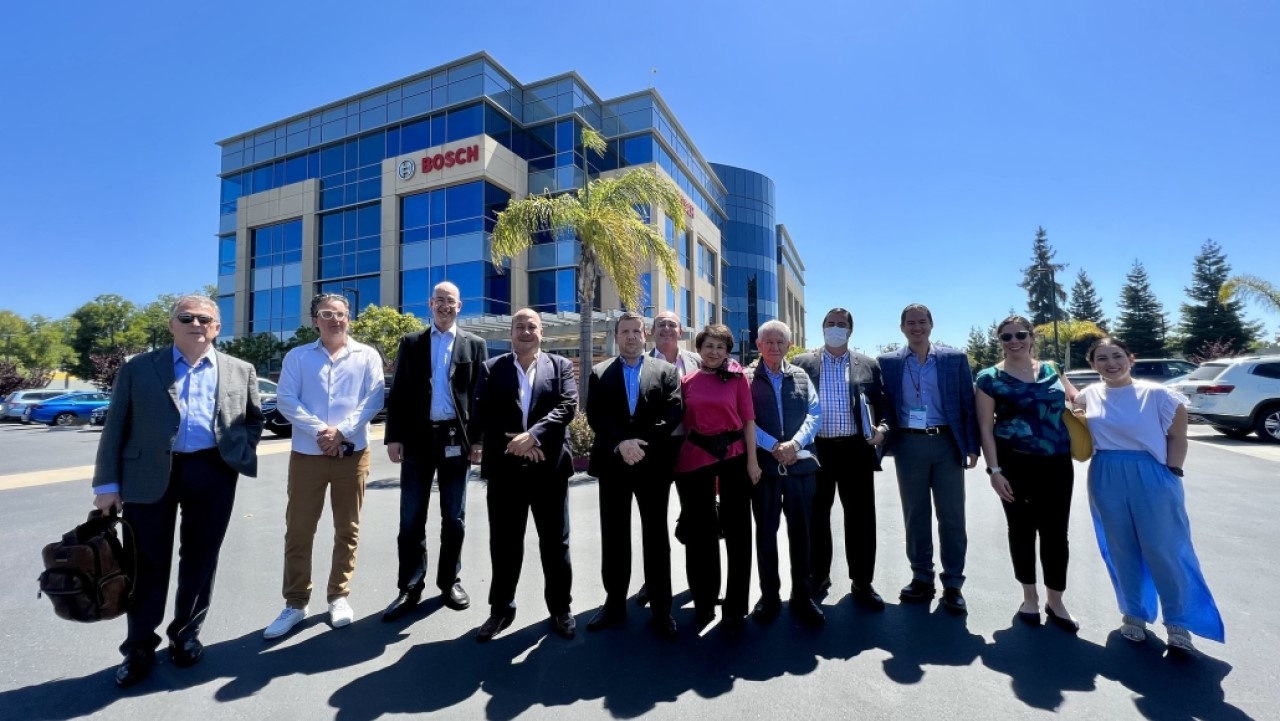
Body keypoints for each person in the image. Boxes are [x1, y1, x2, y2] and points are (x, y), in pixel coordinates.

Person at [92, 296, 264, 688]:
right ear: (171, 325)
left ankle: (186, 634)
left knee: (201, 559)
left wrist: (239, 450)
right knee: (146, 563)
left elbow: (253, 419)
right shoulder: (138, 367)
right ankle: (139, 647)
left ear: (217, 327)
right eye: (186, 317)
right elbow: (115, 425)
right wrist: (107, 485)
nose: (195, 323)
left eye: (205, 318)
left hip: (213, 471)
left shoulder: (241, 370)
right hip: (147, 475)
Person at [1076, 337, 1224, 651]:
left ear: (1130, 358)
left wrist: (1173, 471)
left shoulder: (1158, 394)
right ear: (1092, 365)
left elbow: (1177, 436)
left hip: (1153, 474)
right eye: (1102, 358)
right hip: (1105, 474)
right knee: (1121, 548)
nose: (1111, 363)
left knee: (1165, 548)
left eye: (1117, 355)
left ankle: (1179, 621)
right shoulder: (1088, 395)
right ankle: (1134, 613)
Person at [262, 293, 385, 640]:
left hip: (353, 455)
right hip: (307, 456)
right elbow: (287, 400)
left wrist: (342, 431)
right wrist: (322, 431)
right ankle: (295, 602)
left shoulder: (367, 355)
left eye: (340, 314)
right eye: (326, 314)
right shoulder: (298, 357)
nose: (335, 319)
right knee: (299, 531)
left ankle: (338, 596)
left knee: (348, 529)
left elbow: (373, 398)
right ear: (315, 320)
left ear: (349, 318)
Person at [382, 281, 488, 622]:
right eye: (439, 300)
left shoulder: (475, 344)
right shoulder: (412, 342)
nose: (444, 305)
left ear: (460, 306)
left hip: (456, 439)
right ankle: (410, 587)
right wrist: (394, 437)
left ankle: (449, 581)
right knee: (411, 518)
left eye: (450, 301)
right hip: (417, 440)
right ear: (430, 304)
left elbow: (481, 397)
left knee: (453, 517)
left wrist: (479, 441)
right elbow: (399, 391)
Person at [470, 309, 577, 641]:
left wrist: (534, 436)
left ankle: (560, 608)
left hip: (549, 469)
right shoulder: (492, 368)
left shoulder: (560, 366)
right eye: (520, 326)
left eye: (532, 326)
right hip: (506, 470)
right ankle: (500, 610)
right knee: (504, 544)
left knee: (556, 544)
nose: (526, 331)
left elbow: (567, 406)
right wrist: (518, 442)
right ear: (511, 332)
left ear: (542, 332)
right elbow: (482, 413)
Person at [974, 315, 1078, 630]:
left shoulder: (1053, 370)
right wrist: (994, 470)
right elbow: (985, 427)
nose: (1014, 341)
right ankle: (1029, 597)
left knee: (1056, 533)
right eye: (1006, 337)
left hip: (1057, 463)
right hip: (1014, 464)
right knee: (1021, 530)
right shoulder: (989, 378)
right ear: (1000, 342)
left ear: (1031, 337)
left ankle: (1056, 600)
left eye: (1020, 334)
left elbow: (1076, 400)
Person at [585, 312, 683, 637]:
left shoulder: (666, 371)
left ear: (645, 335)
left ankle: (662, 610)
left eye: (636, 331)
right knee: (614, 537)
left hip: (653, 465)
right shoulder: (600, 372)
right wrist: (622, 443)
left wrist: (640, 442)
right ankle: (614, 604)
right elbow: (596, 415)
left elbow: (673, 412)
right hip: (613, 464)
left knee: (656, 537)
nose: (630, 336)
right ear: (616, 337)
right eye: (624, 331)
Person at [878, 303, 979, 613]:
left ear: (931, 325)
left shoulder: (953, 359)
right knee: (915, 515)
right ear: (902, 327)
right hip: (909, 445)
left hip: (947, 442)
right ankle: (922, 577)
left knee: (952, 516)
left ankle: (953, 584)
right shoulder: (887, 363)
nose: (917, 327)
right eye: (911, 322)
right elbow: (883, 405)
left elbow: (967, 404)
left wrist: (972, 446)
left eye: (922, 321)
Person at [793, 307, 889, 610]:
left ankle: (862, 581)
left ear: (850, 330)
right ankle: (818, 576)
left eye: (842, 324)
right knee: (816, 517)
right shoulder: (802, 363)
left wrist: (882, 430)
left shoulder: (868, 365)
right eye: (831, 323)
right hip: (816, 451)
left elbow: (884, 407)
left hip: (856, 451)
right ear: (822, 328)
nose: (836, 328)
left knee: (861, 519)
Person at [673, 323, 761, 628]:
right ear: (699, 348)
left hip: (734, 457)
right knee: (701, 536)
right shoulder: (686, 382)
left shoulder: (738, 378)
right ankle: (704, 600)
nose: (713, 352)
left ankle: (736, 605)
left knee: (738, 533)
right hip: (695, 459)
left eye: (720, 347)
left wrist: (753, 462)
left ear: (727, 351)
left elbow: (748, 420)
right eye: (708, 346)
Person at [748, 320, 826, 626]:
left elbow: (814, 414)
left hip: (800, 468)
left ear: (788, 345)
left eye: (780, 342)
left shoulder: (801, 376)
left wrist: (794, 444)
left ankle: (802, 596)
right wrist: (773, 446)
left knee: (802, 534)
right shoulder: (746, 378)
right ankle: (769, 596)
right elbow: (745, 420)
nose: (774, 347)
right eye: (768, 341)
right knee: (766, 534)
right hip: (765, 470)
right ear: (758, 345)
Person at [636, 309, 701, 609]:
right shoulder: (640, 363)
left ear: (680, 331)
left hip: (692, 447)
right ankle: (654, 582)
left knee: (695, 517)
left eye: (671, 324)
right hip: (655, 451)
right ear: (651, 331)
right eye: (660, 324)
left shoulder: (697, 361)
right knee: (654, 523)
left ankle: (699, 583)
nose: (665, 329)